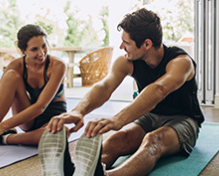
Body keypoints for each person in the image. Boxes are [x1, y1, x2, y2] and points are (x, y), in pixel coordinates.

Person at [40, 8, 204, 176]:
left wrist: (118, 119)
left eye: (126, 42)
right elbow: (104, 87)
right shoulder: (127, 61)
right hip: (150, 116)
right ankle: (76, 172)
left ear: (147, 44)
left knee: (154, 141)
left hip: (184, 119)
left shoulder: (181, 62)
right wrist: (78, 111)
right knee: (117, 139)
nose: (121, 46)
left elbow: (159, 90)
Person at [0, 24, 74, 174]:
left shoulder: (58, 65)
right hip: (28, 119)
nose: (41, 53)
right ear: (22, 50)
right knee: (10, 75)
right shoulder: (16, 66)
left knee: (62, 132)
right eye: (34, 49)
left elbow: (40, 107)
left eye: (44, 46)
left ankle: (3, 138)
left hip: (51, 120)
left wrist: (1, 128)